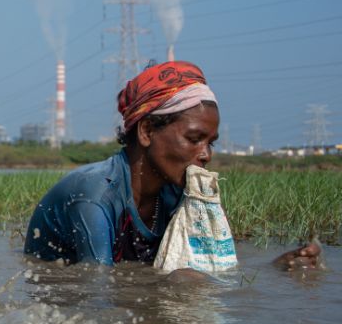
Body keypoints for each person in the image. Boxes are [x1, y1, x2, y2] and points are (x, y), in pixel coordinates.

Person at [24, 60, 321, 271]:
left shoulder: (175, 194)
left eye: (211, 142)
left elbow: (210, 268)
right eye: (194, 139)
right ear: (147, 131)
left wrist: (276, 269)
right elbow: (98, 289)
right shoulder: (95, 196)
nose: (205, 155)